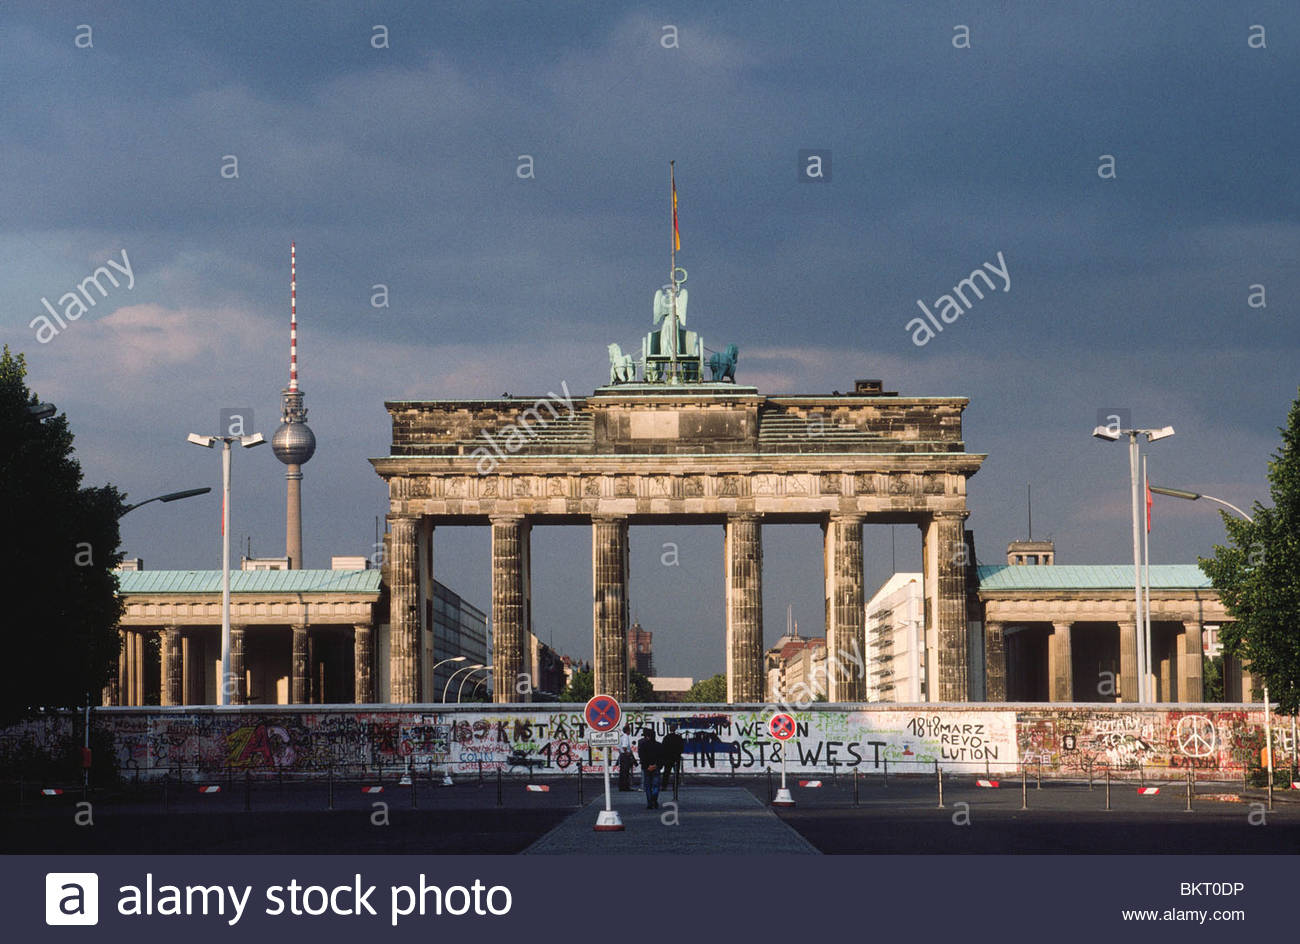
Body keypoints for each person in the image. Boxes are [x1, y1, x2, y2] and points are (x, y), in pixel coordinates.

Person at [637, 727, 662, 809]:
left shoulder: (643, 745)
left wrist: (647, 766)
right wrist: (656, 765)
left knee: (648, 786)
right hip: (656, 767)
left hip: (646, 768)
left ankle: (649, 802)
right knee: (656, 786)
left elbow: (642, 757)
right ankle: (654, 799)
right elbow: (661, 757)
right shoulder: (659, 745)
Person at [617, 723, 634, 791]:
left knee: (622, 772)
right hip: (625, 756)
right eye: (629, 730)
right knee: (626, 772)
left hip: (622, 755)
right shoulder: (626, 737)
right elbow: (624, 747)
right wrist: (628, 753)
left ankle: (622, 786)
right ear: (627, 731)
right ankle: (625, 787)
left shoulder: (621, 736)